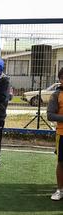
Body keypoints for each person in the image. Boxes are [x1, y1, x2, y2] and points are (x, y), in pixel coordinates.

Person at [46, 67, 63, 200]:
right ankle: (59, 190)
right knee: (61, 162)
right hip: (62, 134)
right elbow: (50, 115)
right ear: (60, 79)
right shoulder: (56, 95)